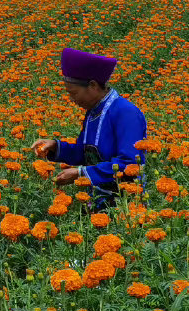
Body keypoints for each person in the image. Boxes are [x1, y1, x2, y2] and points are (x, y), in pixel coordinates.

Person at [29, 49, 146, 210]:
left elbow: (130, 163)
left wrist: (81, 173)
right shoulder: (93, 112)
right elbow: (85, 154)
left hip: (126, 207)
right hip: (97, 201)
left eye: (74, 93)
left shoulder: (126, 113)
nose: (72, 100)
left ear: (92, 85)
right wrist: (56, 146)